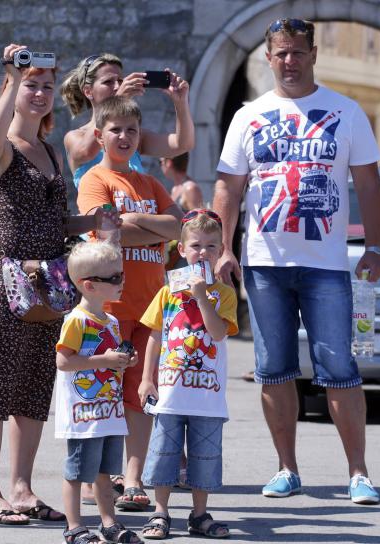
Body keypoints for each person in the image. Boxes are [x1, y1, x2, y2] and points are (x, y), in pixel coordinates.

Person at [213, 18, 380, 505]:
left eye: (298, 52)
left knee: (340, 368)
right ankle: (286, 468)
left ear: (313, 55)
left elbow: (370, 184)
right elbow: (229, 186)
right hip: (264, 264)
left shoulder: (346, 112)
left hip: (326, 265)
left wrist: (374, 246)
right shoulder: (249, 116)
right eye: (280, 53)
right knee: (274, 369)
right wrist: (224, 248)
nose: (289, 61)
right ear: (268, 58)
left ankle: (358, 473)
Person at [0, 43, 114, 526]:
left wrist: (89, 219)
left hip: (50, 283)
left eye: (48, 86)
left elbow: (50, 220)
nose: (42, 93)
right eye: (33, 85)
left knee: (31, 387)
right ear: (12, 89)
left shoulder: (49, 150)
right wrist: (10, 78)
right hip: (9, 280)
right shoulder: (1, 147)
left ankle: (22, 489)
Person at [78, 96, 183, 512]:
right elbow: (104, 231)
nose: (124, 137)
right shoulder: (94, 179)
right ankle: (97, 478)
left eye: (132, 131)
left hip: (150, 307)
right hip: (111, 308)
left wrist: (136, 226)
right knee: (103, 394)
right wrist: (152, 229)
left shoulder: (151, 183)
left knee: (141, 397)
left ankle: (134, 479)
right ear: (100, 135)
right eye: (116, 130)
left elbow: (178, 226)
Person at [138, 209, 238, 540]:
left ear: (221, 249)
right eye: (196, 245)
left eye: (212, 246)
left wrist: (201, 296)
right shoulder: (168, 290)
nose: (203, 253)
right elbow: (155, 334)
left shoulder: (223, 293)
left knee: (203, 456)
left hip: (206, 396)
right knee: (164, 452)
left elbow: (219, 333)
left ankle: (199, 513)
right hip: (170, 392)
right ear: (181, 250)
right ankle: (161, 511)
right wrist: (146, 378)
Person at [55, 241, 142, 544]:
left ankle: (109, 522)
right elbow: (64, 361)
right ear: (89, 285)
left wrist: (123, 362)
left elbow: (108, 364)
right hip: (84, 414)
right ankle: (74, 526)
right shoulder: (76, 321)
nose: (122, 282)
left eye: (122, 275)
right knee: (77, 471)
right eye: (115, 278)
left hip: (108, 412)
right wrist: (104, 360)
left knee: (106, 472)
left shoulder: (113, 321)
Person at [60, 53, 194, 189]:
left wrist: (181, 102)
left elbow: (182, 145)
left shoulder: (133, 135)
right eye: (108, 82)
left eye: (120, 81)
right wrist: (117, 100)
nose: (117, 86)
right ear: (88, 91)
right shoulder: (75, 136)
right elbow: (86, 151)